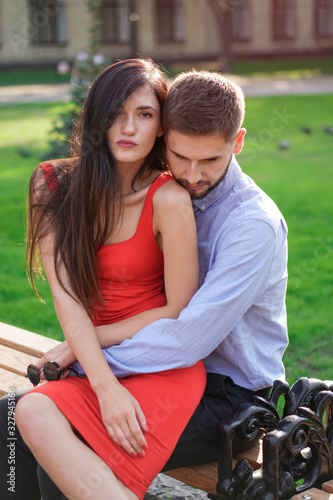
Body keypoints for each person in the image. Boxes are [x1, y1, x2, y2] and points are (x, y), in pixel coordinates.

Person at [0, 68, 288, 499]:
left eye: (209, 160)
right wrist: (89, 360)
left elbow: (187, 337)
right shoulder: (165, 192)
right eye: (180, 156)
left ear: (238, 143)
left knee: (65, 435)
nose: (192, 174)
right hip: (148, 363)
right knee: (9, 420)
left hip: (228, 397)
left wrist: (84, 354)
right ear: (165, 139)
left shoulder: (252, 225)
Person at [3, 58, 206, 500]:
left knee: (42, 421)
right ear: (96, 117)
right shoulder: (53, 184)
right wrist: (102, 382)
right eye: (116, 112)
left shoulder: (168, 198)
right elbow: (67, 299)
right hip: (97, 365)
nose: (128, 127)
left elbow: (177, 310)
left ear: (160, 128)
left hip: (156, 362)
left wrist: (81, 347)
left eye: (145, 114)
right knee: (11, 428)